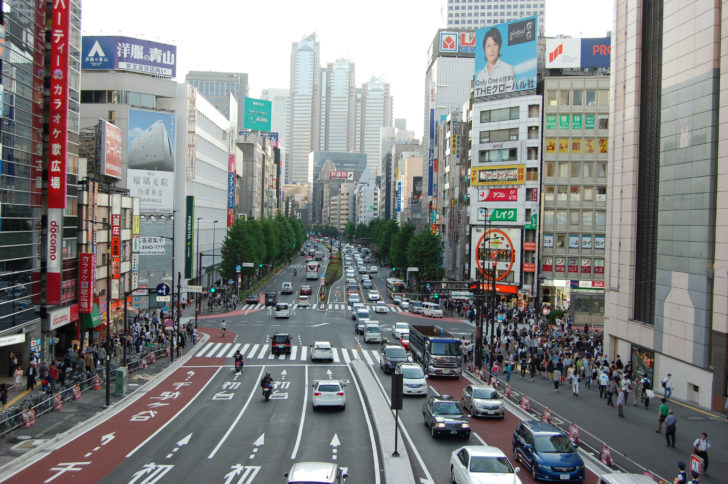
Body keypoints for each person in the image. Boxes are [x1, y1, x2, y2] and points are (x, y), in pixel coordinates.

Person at [475, 27, 515, 97]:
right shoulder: (480, 76)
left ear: (499, 47)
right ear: (484, 49)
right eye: (488, 46)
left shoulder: (508, 69)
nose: (492, 49)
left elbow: (511, 96)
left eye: (495, 45)